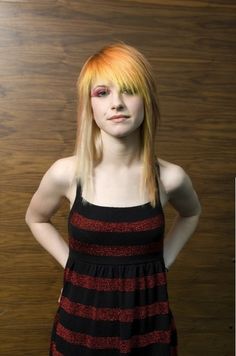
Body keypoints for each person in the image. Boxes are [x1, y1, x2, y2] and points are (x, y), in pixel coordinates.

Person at [25, 42, 201, 356]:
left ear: (146, 99)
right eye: (102, 93)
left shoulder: (170, 178)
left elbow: (191, 213)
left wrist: (165, 260)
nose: (116, 104)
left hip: (148, 322)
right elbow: (36, 218)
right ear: (89, 105)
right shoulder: (66, 174)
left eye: (129, 90)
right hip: (81, 323)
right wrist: (72, 267)